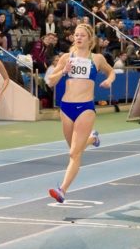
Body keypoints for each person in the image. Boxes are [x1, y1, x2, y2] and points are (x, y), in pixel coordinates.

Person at [46, 23, 115, 203]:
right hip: (66, 108)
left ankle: (62, 190)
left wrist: (109, 80)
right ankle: (93, 139)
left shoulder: (97, 58)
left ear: (90, 39)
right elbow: (50, 81)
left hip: (85, 108)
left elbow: (111, 71)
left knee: (74, 154)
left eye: (82, 35)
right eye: (76, 35)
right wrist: (63, 71)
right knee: (74, 150)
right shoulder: (67, 57)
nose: (78, 38)